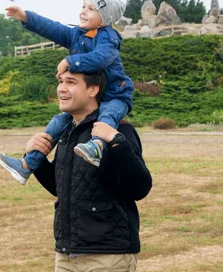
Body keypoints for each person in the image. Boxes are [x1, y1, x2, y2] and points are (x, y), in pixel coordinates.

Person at [0, 0, 134, 185]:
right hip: (91, 99)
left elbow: (101, 58)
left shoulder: (109, 37)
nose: (84, 11)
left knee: (107, 116)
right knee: (57, 122)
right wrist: (26, 17)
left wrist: (70, 61)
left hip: (115, 95)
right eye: (84, 6)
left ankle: (97, 147)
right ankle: (27, 165)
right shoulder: (76, 35)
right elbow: (52, 28)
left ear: (105, 19)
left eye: (91, 9)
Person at [22, 69, 152, 271]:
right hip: (66, 255)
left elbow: (139, 189)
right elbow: (61, 188)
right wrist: (37, 158)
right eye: (60, 82)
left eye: (71, 82)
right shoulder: (66, 132)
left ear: (93, 88)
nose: (62, 89)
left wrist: (117, 143)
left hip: (107, 256)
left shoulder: (120, 131)